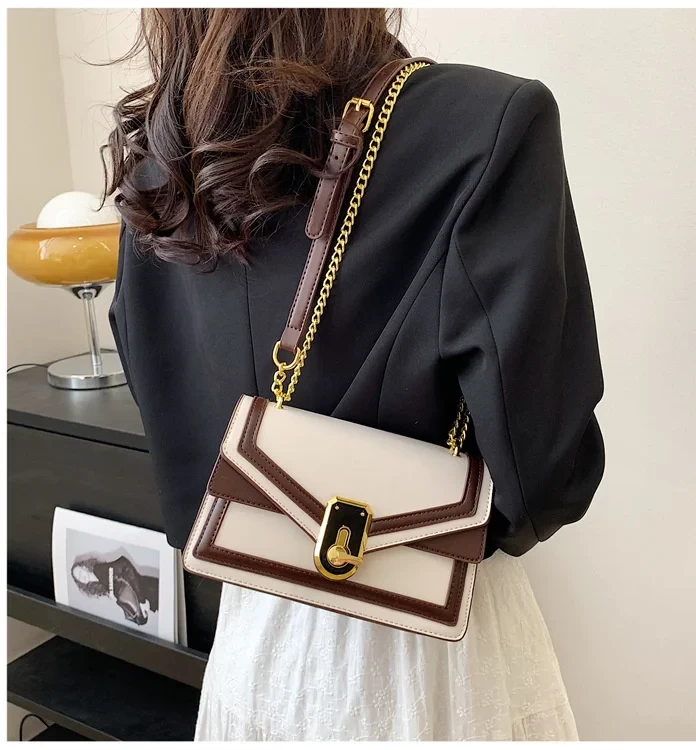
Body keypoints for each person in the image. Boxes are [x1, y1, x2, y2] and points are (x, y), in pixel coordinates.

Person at [105, 8, 604, 741]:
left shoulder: (162, 151)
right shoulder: (490, 121)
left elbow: (162, 390)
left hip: (255, 641)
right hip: (430, 650)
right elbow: (545, 479)